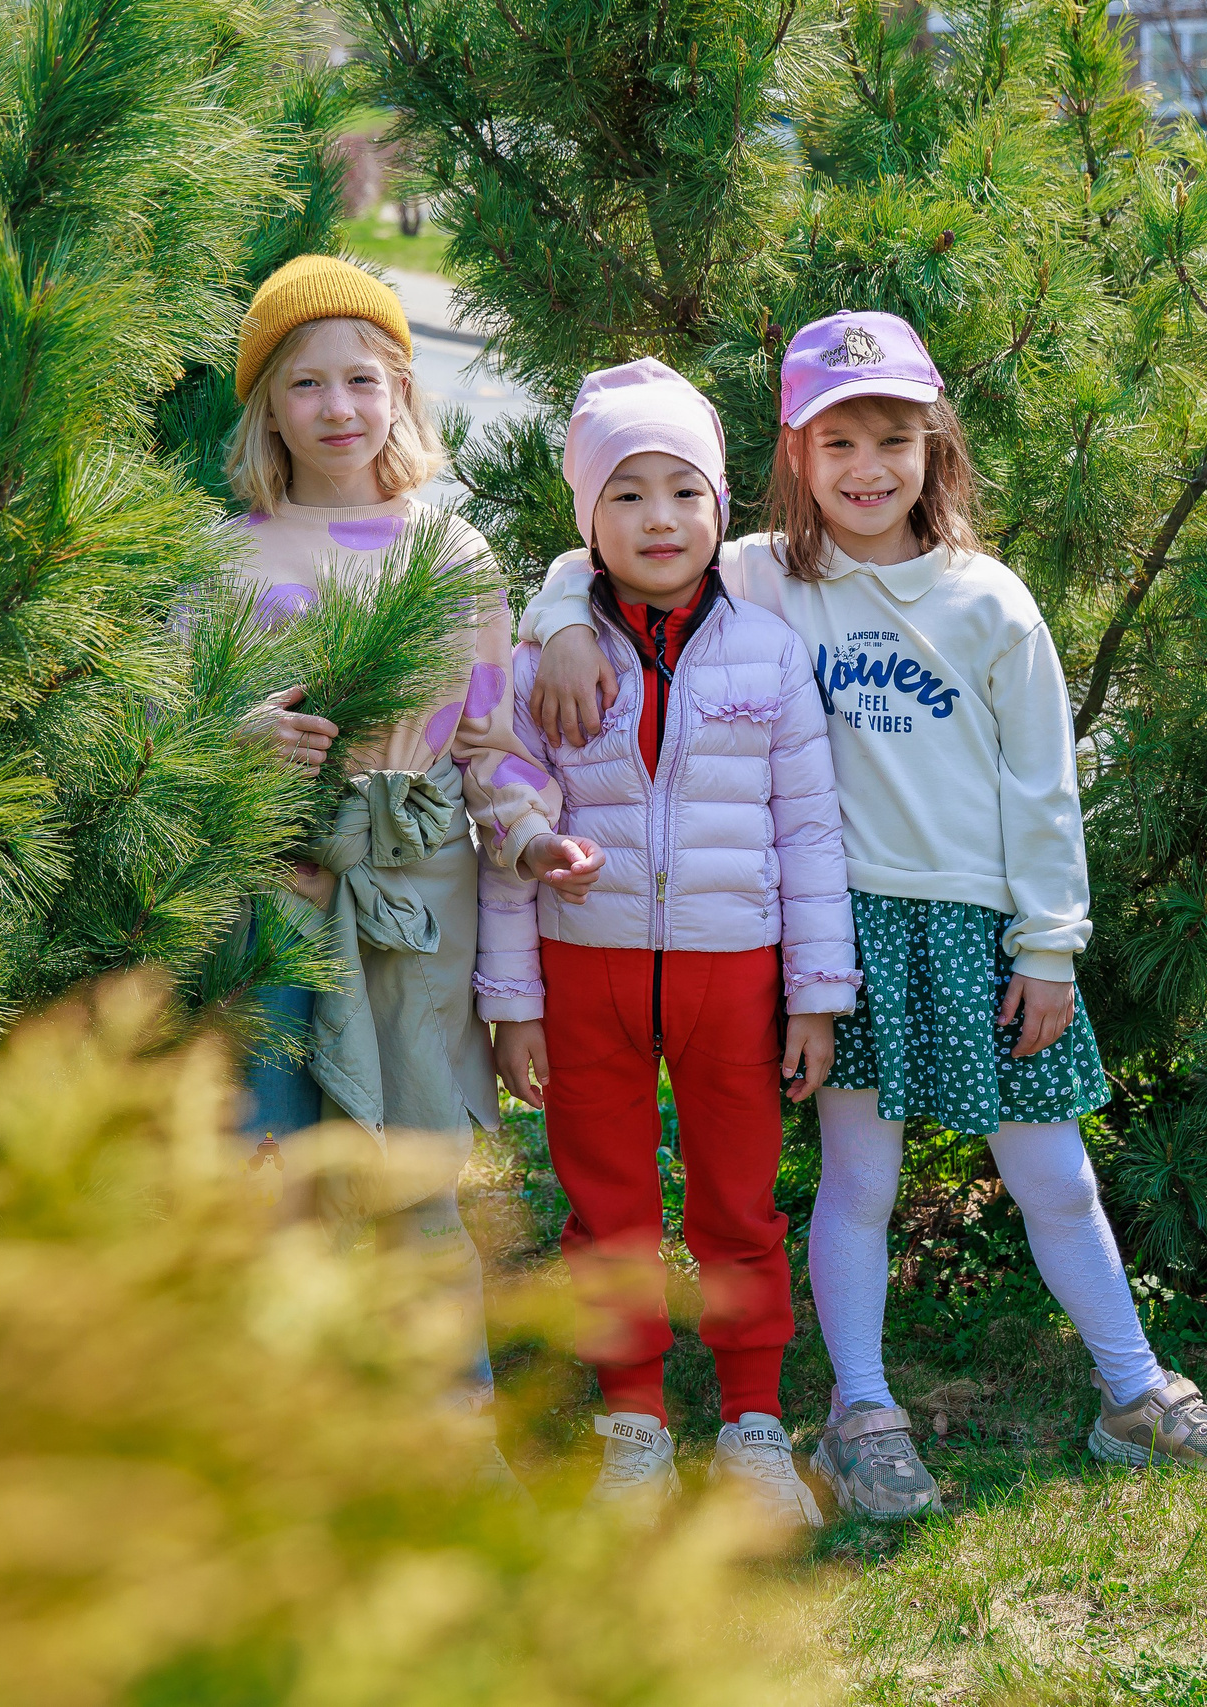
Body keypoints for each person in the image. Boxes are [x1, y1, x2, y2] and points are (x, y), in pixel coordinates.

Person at [518, 312, 1207, 1522]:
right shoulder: (760, 569)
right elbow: (598, 553)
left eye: (892, 441)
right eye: (836, 447)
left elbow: (1043, 787)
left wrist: (1048, 946)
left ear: (935, 449)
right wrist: (559, 619)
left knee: (1054, 1176)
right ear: (795, 460)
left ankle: (1133, 1394)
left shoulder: (988, 601)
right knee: (856, 1182)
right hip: (850, 933)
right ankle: (860, 1415)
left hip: (982, 936)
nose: (867, 470)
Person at [475, 358, 857, 1529]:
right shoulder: (544, 658)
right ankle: (632, 1427)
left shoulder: (769, 650)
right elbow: (504, 817)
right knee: (609, 1210)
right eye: (627, 494)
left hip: (731, 973)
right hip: (582, 970)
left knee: (740, 1206)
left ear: (722, 509)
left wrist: (814, 994)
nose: (659, 519)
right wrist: (514, 1001)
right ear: (587, 521)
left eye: (684, 491)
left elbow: (808, 830)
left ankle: (752, 1427)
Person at [216, 256, 559, 1453]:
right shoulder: (229, 560)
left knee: (418, 1179)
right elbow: (167, 732)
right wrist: (238, 736)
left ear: (403, 390)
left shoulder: (451, 551)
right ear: (266, 409)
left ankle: (452, 1427)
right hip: (276, 903)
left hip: (416, 910)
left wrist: (530, 831)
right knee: (275, 1170)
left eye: (364, 377)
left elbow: (493, 741)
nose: (338, 406)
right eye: (304, 383)